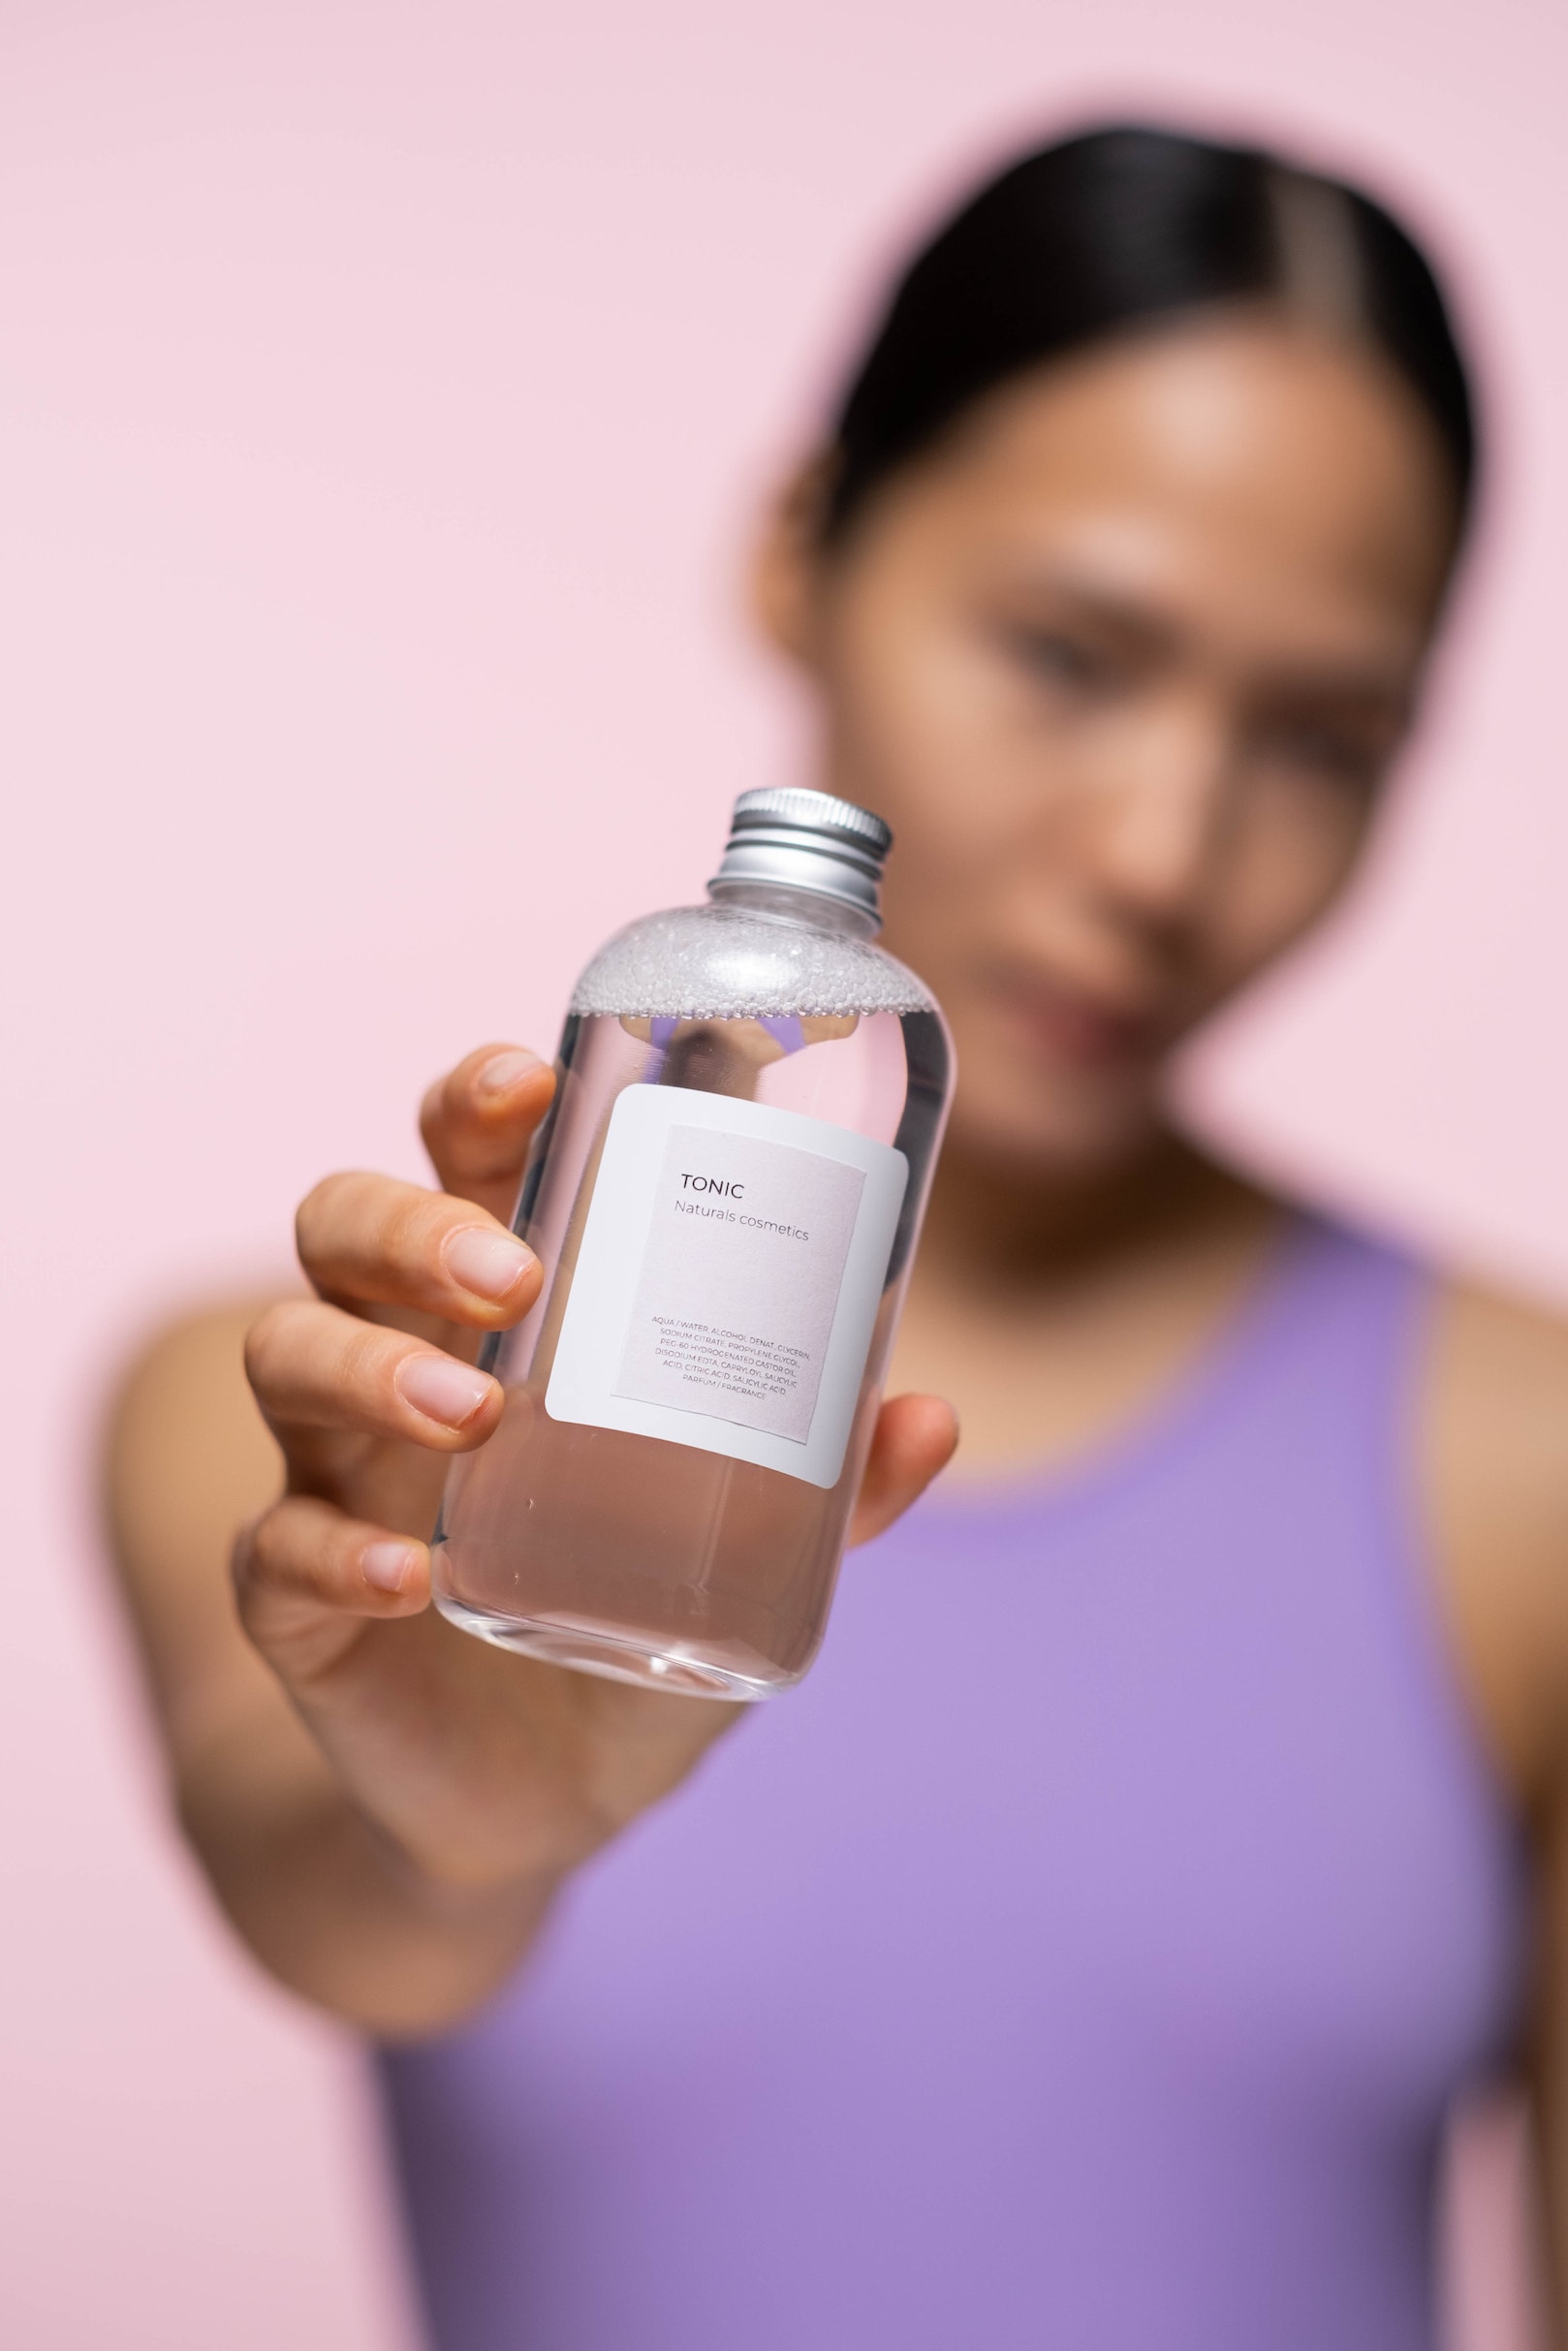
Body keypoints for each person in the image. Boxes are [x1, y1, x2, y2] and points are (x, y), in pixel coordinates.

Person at [103, 124, 1568, 2350]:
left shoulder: (1520, 1466)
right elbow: (323, 1905)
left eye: (1318, 737)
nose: (1166, 850)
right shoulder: (340, 1408)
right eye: (1071, 653)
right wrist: (448, 1831)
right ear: (801, 549)